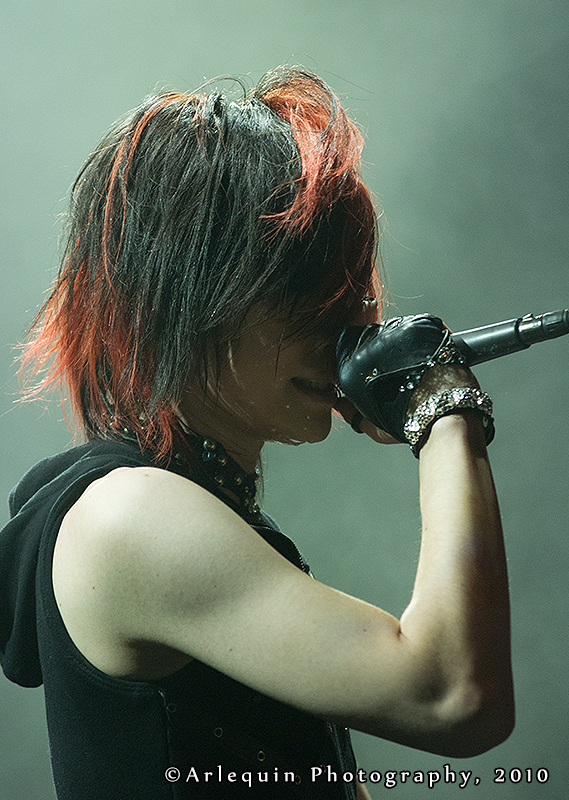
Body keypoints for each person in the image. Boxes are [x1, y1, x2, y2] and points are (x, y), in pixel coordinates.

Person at [0, 67, 514, 800]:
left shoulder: (185, 509)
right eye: (306, 294)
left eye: (351, 292)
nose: (350, 329)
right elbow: (453, 697)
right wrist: (443, 408)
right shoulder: (131, 517)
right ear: (186, 300)